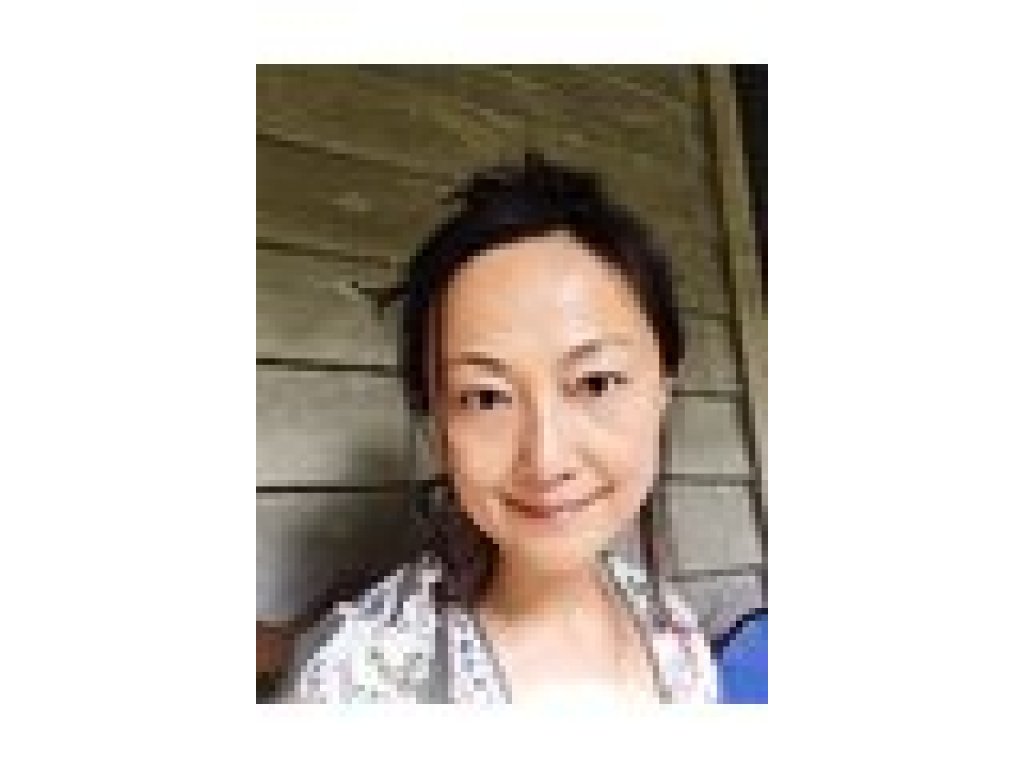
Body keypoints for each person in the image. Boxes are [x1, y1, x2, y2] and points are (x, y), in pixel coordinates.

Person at [282, 151, 718, 704]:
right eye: (486, 397)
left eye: (596, 382)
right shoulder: (357, 679)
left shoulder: (674, 630)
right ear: (436, 423)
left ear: (662, 391)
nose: (546, 460)